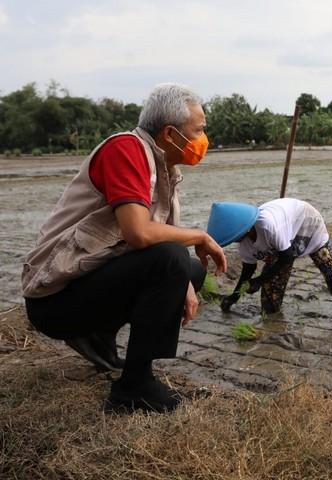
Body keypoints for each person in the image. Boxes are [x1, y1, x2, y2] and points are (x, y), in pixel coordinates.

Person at [22, 83, 227, 413]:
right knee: (174, 259)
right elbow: (139, 234)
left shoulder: (162, 170)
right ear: (170, 134)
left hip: (84, 286)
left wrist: (183, 281)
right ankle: (135, 388)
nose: (204, 138)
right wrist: (200, 237)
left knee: (188, 269)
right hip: (53, 299)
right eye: (199, 129)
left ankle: (99, 338)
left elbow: (150, 245)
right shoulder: (126, 150)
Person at [207, 198, 332, 316]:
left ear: (243, 228)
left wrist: (259, 280)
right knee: (271, 289)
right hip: (284, 238)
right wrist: (233, 297)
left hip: (306, 222)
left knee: (328, 268)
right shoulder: (244, 243)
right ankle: (272, 317)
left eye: (235, 236)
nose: (234, 240)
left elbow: (286, 257)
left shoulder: (267, 226)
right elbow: (248, 270)